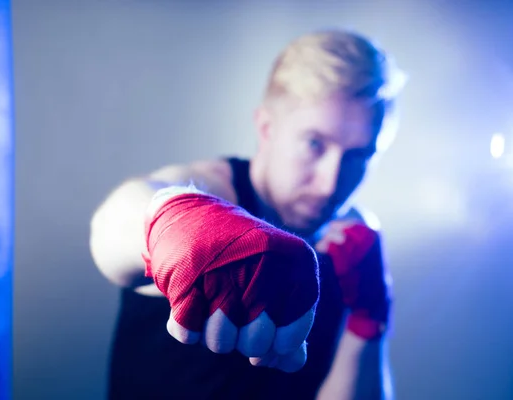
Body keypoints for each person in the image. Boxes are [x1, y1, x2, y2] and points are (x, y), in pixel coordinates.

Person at [90, 28, 407, 399]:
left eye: (359, 156)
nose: (330, 183)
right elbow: (112, 228)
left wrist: (367, 323)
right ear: (267, 127)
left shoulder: (351, 239)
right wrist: (183, 226)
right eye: (314, 144)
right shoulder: (213, 189)